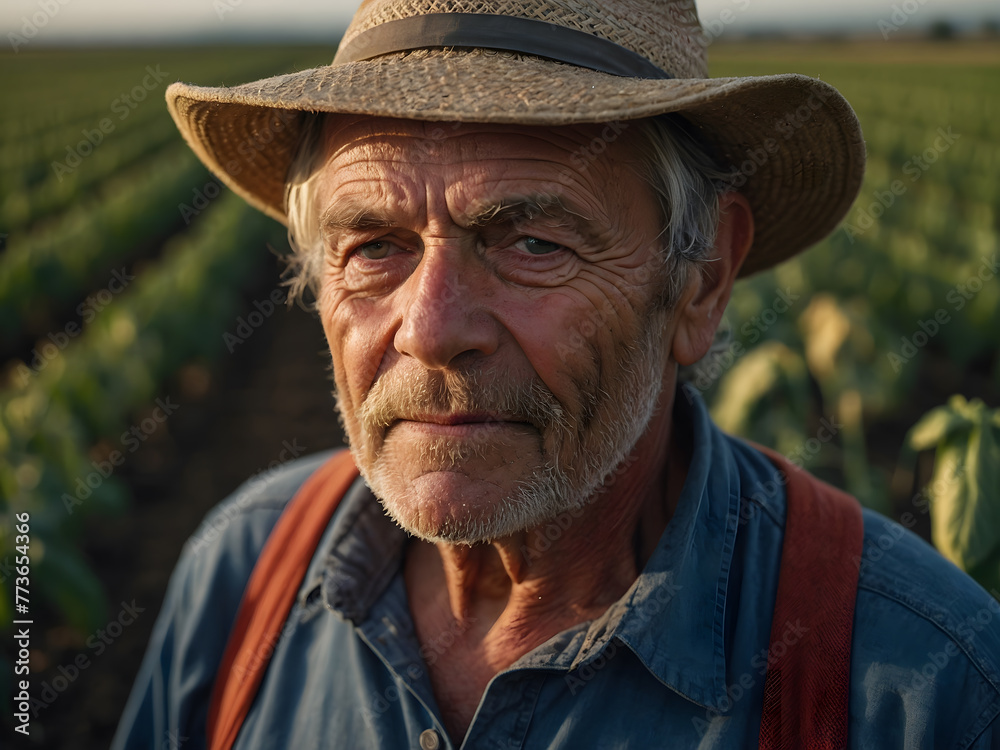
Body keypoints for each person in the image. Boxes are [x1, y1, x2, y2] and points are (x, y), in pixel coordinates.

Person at [115, 0, 1000, 747]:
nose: (430, 330)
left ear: (701, 281)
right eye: (375, 247)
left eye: (532, 242)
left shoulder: (921, 682)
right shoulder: (241, 574)